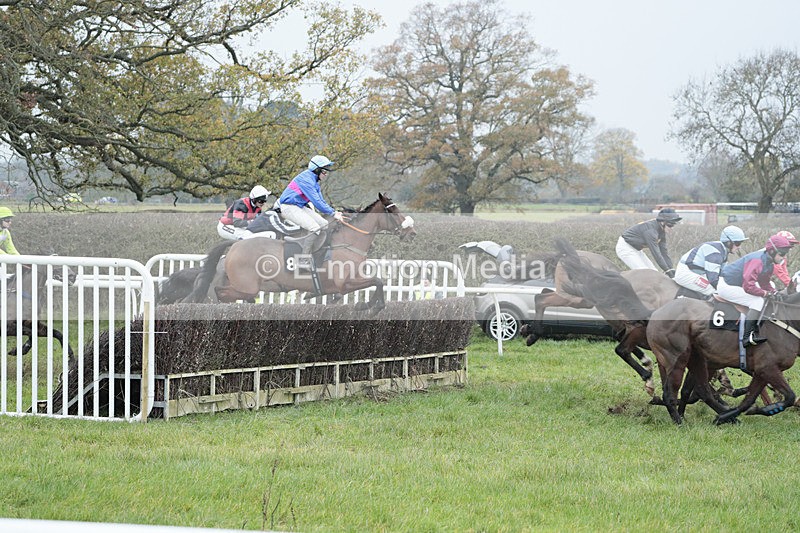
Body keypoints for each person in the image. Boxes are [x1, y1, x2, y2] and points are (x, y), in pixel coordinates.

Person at [718, 234, 792, 347]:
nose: (783, 257)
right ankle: (747, 337)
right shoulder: (757, 261)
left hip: (738, 284)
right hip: (726, 285)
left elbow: (764, 283)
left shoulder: (769, 263)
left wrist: (774, 292)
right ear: (772, 251)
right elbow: (748, 286)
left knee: (765, 295)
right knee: (757, 301)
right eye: (782, 254)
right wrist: (765, 293)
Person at [276, 155, 344, 269]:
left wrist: (334, 211)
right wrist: (333, 213)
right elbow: (317, 202)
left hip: (298, 206)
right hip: (288, 207)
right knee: (314, 228)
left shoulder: (315, 181)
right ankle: (303, 260)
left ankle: (309, 249)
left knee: (324, 224)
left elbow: (321, 200)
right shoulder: (306, 179)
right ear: (316, 170)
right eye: (324, 170)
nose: (326, 173)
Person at [673, 225, 748, 298]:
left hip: (697, 271)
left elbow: (723, 274)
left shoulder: (723, 251)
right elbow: (713, 279)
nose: (739, 247)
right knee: (715, 291)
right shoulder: (715, 252)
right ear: (728, 242)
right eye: (738, 243)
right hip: (686, 273)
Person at [615, 208, 681, 275]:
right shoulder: (651, 232)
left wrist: (670, 268)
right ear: (662, 222)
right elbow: (656, 254)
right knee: (645, 273)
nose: (671, 228)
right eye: (670, 225)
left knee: (654, 273)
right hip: (625, 248)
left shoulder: (661, 230)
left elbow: (664, 252)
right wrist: (667, 270)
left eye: (673, 225)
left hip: (636, 249)